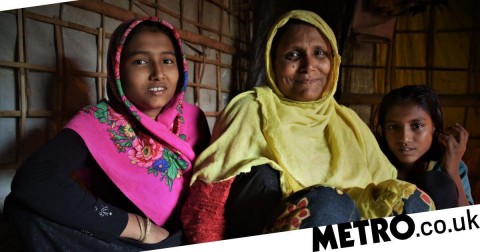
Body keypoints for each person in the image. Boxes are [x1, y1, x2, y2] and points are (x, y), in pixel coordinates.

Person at [181, 10, 434, 244]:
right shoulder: (252, 108)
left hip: (353, 233)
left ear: (333, 60)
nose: (308, 66)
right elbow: (211, 192)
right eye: (293, 55)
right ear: (273, 62)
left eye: (319, 53)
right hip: (272, 237)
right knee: (328, 205)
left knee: (411, 202)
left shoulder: (348, 121)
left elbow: (385, 184)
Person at [3, 17, 210, 251]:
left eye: (167, 60)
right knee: (22, 210)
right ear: (118, 69)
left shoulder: (193, 118)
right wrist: (141, 228)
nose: (158, 73)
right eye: (140, 61)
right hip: (131, 243)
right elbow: (34, 179)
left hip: (192, 235)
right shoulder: (98, 121)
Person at [375, 85, 473, 209]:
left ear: (434, 126)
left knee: (437, 182)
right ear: (383, 130)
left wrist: (451, 171)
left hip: (438, 228)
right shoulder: (374, 163)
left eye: (417, 126)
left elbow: (468, 224)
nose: (405, 138)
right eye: (393, 127)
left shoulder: (451, 165)